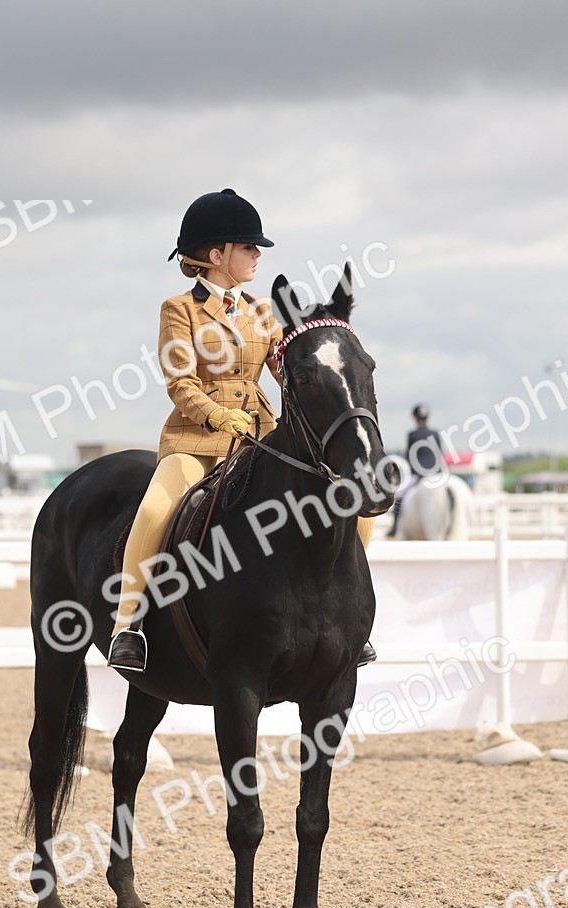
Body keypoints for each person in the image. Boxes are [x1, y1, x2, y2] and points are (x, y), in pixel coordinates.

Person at [108, 187, 376, 673]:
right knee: (154, 511)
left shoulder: (263, 311)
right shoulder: (179, 309)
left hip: (260, 439)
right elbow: (180, 381)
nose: (257, 255)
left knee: (354, 507)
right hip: (197, 440)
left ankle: (348, 619)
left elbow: (284, 368)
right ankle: (129, 625)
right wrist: (215, 414)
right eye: (248, 247)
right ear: (217, 256)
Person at [388, 404, 445, 537]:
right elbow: (440, 453)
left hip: (419, 475)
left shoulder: (412, 434)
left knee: (400, 495)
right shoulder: (435, 433)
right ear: (427, 417)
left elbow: (409, 456)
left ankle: (395, 527)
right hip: (436, 473)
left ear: (415, 418)